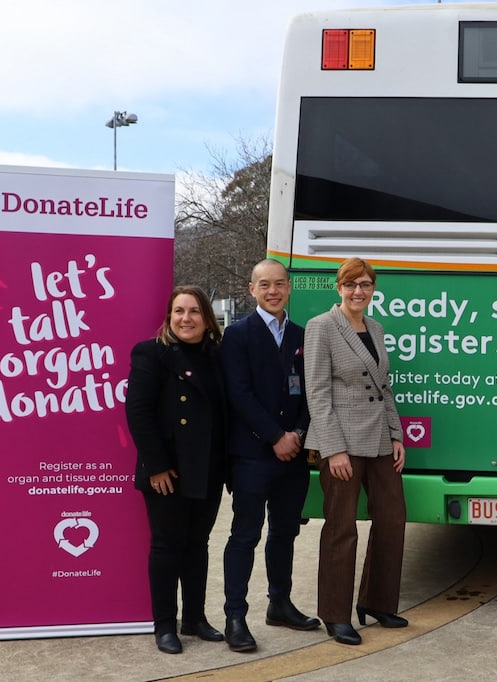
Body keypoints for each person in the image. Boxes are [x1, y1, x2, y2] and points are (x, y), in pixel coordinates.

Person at [304, 257, 408, 646]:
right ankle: (335, 615)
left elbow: (385, 388)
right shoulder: (322, 327)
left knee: (394, 518)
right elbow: (317, 392)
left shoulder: (376, 328)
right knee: (341, 528)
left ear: (373, 288)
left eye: (365, 284)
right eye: (351, 284)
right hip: (342, 443)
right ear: (339, 287)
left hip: (380, 439)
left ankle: (378, 602)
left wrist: (397, 435)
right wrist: (333, 450)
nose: (358, 291)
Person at [219, 259, 319, 653]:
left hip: (291, 455)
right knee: (245, 534)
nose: (273, 291)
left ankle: (280, 603)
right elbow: (238, 393)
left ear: (289, 288)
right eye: (265, 285)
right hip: (252, 454)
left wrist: (298, 434)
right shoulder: (238, 335)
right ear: (252, 289)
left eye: (280, 284)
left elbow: (312, 390)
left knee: (285, 531)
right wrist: (275, 435)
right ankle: (235, 616)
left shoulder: (301, 334)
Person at [125, 285, 228, 655]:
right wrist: (157, 466)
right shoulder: (151, 353)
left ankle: (195, 619)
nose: (186, 319)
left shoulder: (216, 354)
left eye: (194, 311)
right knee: (167, 547)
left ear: (206, 318)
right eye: (179, 311)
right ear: (169, 316)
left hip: (208, 468)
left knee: (198, 545)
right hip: (167, 471)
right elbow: (138, 412)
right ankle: (165, 625)